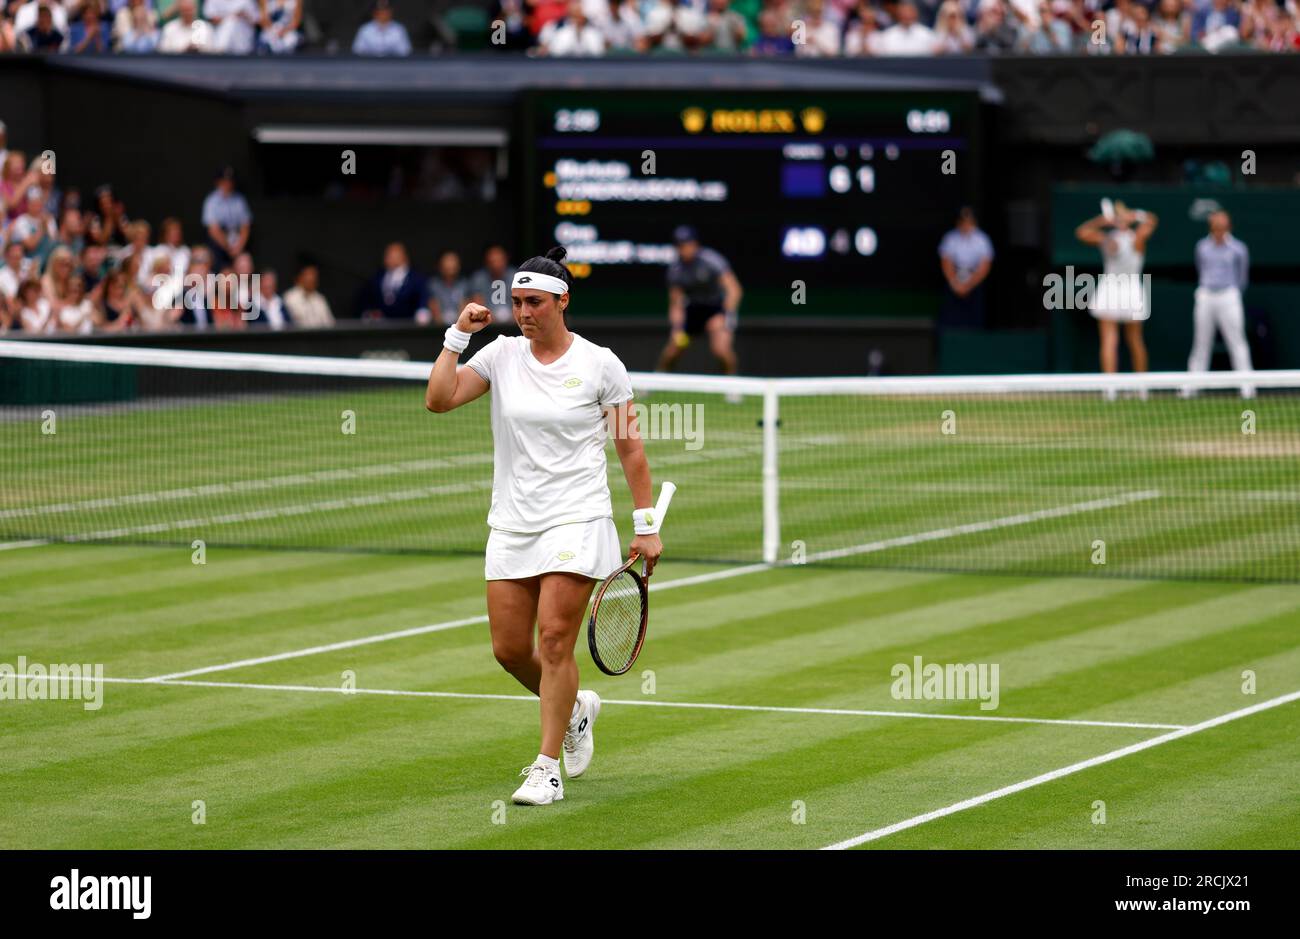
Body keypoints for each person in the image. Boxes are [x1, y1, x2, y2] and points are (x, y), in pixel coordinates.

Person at [423, 245, 662, 806]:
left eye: (534, 302)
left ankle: (545, 768)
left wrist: (646, 524)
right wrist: (457, 336)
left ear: (562, 301)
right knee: (509, 650)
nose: (523, 312)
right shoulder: (501, 355)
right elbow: (439, 399)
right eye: (517, 302)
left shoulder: (602, 363)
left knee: (554, 641)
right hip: (512, 522)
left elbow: (631, 449)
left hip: (577, 518)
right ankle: (576, 710)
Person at [1075, 200, 1158, 389]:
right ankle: (1114, 389)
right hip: (1119, 289)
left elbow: (1082, 232)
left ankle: (1139, 387)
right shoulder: (1123, 238)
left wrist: (1102, 221)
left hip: (1120, 289)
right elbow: (1152, 220)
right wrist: (1134, 215)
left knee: (1131, 339)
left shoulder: (1126, 238)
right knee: (1113, 340)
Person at [656, 225, 742, 382]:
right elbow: (675, 303)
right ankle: (656, 382)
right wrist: (677, 328)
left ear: (695, 244)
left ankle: (732, 385)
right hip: (693, 311)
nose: (684, 249)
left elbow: (734, 290)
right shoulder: (675, 269)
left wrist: (725, 316)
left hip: (717, 309)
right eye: (680, 245)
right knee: (673, 349)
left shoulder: (711, 261)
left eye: (687, 244)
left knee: (721, 350)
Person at [1186, 209, 1254, 398]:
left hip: (1229, 295)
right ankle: (1192, 388)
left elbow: (1242, 277)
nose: (1219, 230)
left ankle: (1247, 388)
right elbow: (1200, 268)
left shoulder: (1239, 248)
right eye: (1215, 227)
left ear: (1229, 227)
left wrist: (1231, 292)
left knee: (1237, 342)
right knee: (1201, 343)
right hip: (1206, 295)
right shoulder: (1202, 247)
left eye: (1222, 227)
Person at [937, 207, 994, 329]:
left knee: (975, 317)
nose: (966, 225)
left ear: (974, 223)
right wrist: (955, 283)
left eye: (969, 222)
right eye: (963, 222)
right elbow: (946, 262)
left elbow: (984, 266)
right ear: (958, 223)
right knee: (950, 317)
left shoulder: (982, 240)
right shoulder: (950, 238)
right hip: (955, 280)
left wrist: (969, 285)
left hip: (974, 281)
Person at [359, 241, 427, 321]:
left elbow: (422, 302)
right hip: (382, 325)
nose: (389, 258)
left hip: (408, 324)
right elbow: (368, 301)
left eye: (394, 254)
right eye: (388, 254)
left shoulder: (417, 279)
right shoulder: (377, 278)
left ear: (404, 257)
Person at [202, 166, 252, 272]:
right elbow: (213, 230)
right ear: (218, 182)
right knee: (222, 273)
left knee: (245, 262)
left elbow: (245, 226)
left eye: (230, 181)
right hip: (219, 246)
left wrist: (238, 247)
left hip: (237, 244)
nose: (228, 184)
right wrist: (228, 246)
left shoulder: (239, 200)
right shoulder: (212, 200)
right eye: (224, 181)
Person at [467, 243, 516, 324]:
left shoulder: (515, 276)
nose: (496, 264)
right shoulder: (478, 279)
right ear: (487, 262)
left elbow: (522, 305)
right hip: (486, 326)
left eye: (499, 260)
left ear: (506, 259)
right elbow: (478, 308)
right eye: (492, 261)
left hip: (514, 325)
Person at [283, 263, 334, 327]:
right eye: (308, 276)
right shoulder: (290, 297)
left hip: (321, 335)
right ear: (300, 278)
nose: (311, 279)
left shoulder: (320, 299)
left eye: (314, 277)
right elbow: (289, 323)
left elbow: (330, 323)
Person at [427, 250, 469, 326]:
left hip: (460, 327)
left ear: (459, 265)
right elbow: (434, 308)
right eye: (447, 260)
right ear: (440, 265)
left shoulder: (464, 284)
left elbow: (465, 309)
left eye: (453, 260)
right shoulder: (433, 284)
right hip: (439, 328)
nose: (450, 264)